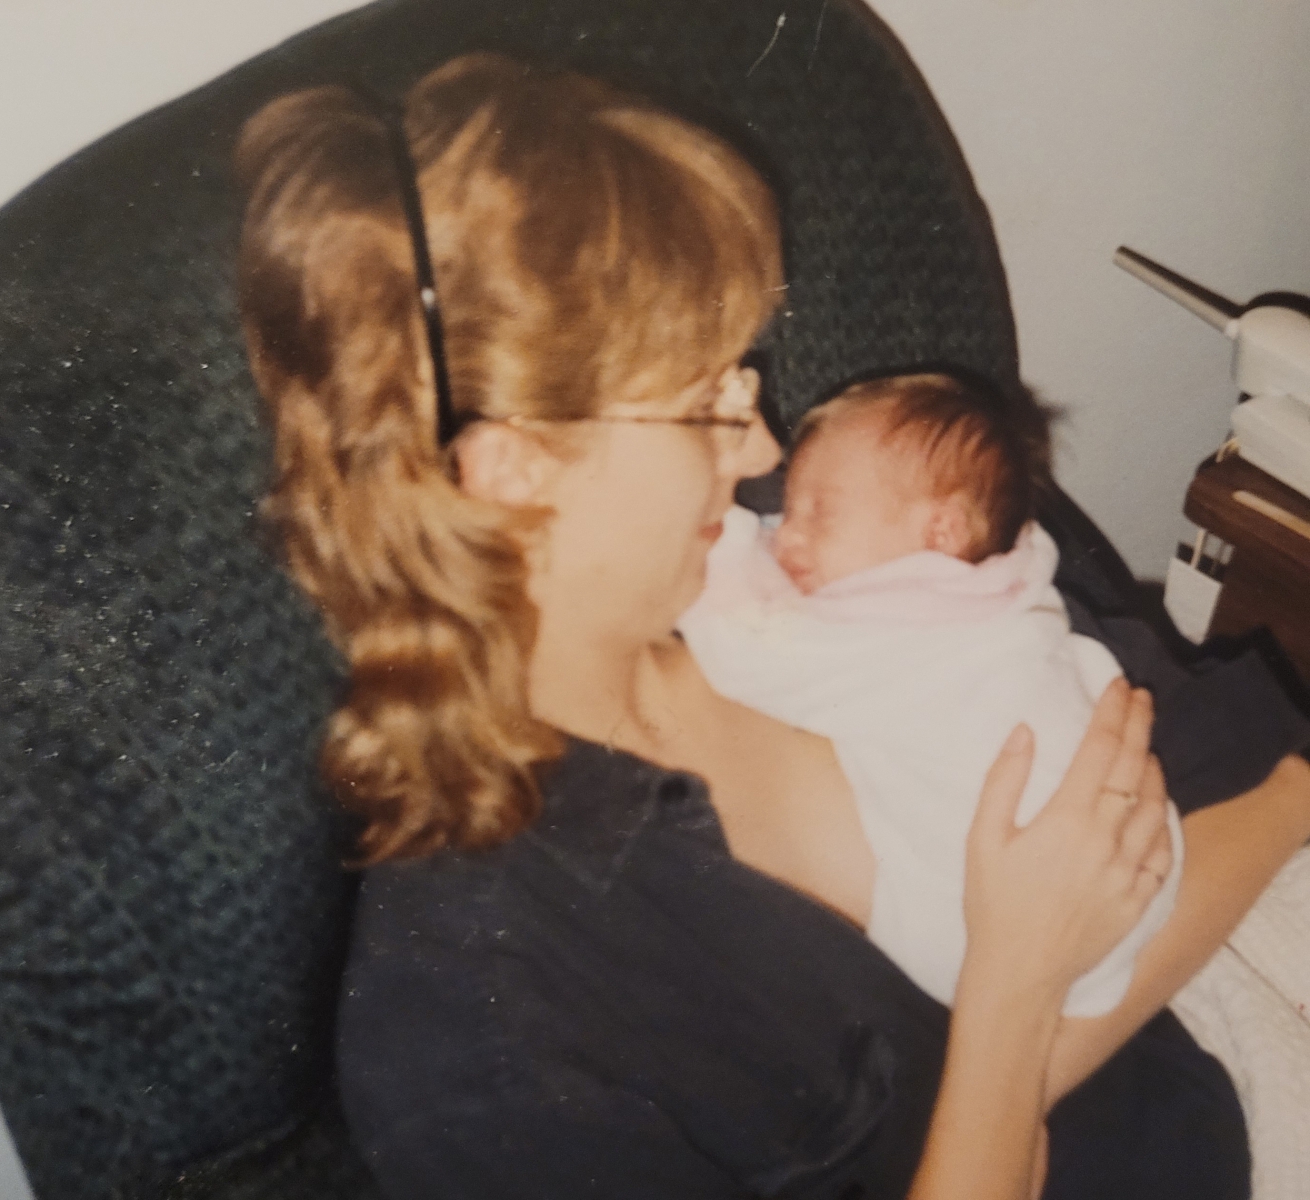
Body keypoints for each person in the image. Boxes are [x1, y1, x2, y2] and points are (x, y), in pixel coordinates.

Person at [234, 52, 1310, 1199]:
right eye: (707, 403)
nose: (760, 450)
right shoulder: (487, 1023)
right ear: (513, 473)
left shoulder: (797, 546)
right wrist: (1017, 988)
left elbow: (1209, 742)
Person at [679, 372, 1183, 1019]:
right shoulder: (1006, 577)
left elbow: (748, 650)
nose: (786, 534)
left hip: (983, 932)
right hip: (1143, 872)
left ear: (941, 533)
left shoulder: (897, 634)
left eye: (818, 511)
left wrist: (727, 545)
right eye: (789, 508)